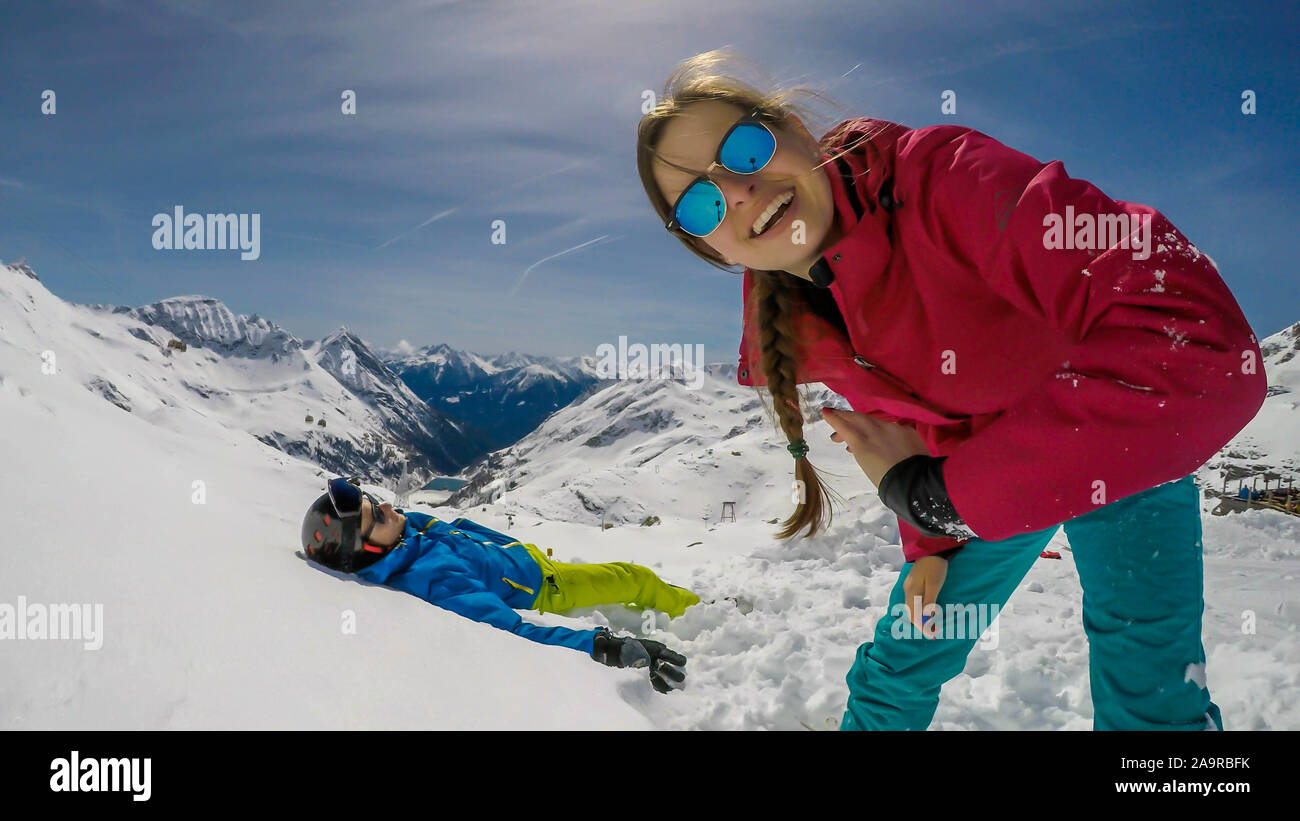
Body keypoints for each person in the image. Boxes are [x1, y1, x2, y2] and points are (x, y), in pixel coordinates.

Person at [635, 50, 1267, 729]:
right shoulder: (809, 316)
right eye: (700, 204)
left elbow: (1199, 348)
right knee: (898, 666)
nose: (736, 191)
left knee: (1155, 700)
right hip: (978, 482)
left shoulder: (944, 179)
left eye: (745, 148)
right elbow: (907, 420)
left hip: (1124, 446)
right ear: (714, 251)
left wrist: (938, 498)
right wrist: (928, 540)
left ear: (792, 126)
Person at [300, 477, 697, 694]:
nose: (389, 507)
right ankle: (695, 609)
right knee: (635, 578)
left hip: (527, 559)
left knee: (631, 576)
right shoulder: (435, 576)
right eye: (377, 516)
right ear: (369, 549)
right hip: (547, 585)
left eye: (375, 500)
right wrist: (602, 646)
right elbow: (511, 630)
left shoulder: (407, 529)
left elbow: (461, 530)